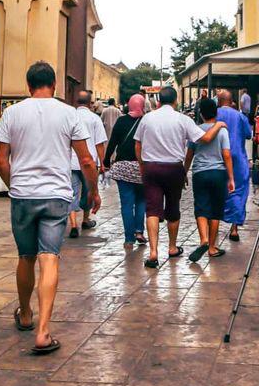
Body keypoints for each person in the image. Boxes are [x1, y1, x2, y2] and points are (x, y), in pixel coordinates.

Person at [0, 61, 99, 355]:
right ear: (54, 86)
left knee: (26, 257)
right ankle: (43, 331)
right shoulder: (68, 114)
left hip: (23, 196)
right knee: (49, 257)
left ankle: (26, 314)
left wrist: (15, 184)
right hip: (56, 196)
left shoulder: (12, 113)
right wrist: (92, 191)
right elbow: (86, 160)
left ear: (28, 86)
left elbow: (1, 160)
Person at [134, 86, 226, 268]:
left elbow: (138, 144)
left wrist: (142, 164)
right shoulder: (183, 119)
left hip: (151, 167)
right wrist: (218, 125)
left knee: (152, 209)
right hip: (173, 168)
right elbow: (205, 139)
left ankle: (153, 252)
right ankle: (172, 247)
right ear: (175, 101)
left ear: (158, 101)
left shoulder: (147, 118)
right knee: (173, 208)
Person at [184, 96, 235, 262]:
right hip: (218, 173)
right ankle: (212, 248)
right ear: (216, 112)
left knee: (201, 207)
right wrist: (231, 178)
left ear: (201, 113)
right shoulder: (222, 130)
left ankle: (203, 239)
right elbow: (226, 154)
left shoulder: (196, 129)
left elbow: (189, 154)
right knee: (215, 210)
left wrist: (184, 172)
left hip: (199, 173)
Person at [104, 93, 147, 249]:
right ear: (143, 106)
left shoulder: (121, 121)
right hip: (141, 167)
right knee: (141, 200)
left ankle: (129, 238)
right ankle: (139, 231)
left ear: (129, 105)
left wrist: (106, 160)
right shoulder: (146, 121)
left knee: (126, 204)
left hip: (123, 167)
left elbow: (113, 142)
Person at [68, 91, 107, 238]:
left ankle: (72, 224)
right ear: (90, 103)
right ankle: (85, 219)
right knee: (89, 191)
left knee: (72, 193)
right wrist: (102, 163)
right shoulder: (94, 119)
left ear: (77, 102)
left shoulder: (70, 116)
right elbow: (99, 144)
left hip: (71, 161)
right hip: (89, 161)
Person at [217, 89, 252, 241]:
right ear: (231, 101)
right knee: (238, 190)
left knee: (217, 191)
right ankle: (234, 228)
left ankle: (214, 226)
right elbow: (249, 134)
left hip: (217, 157)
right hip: (237, 158)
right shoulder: (240, 116)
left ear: (218, 101)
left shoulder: (214, 114)